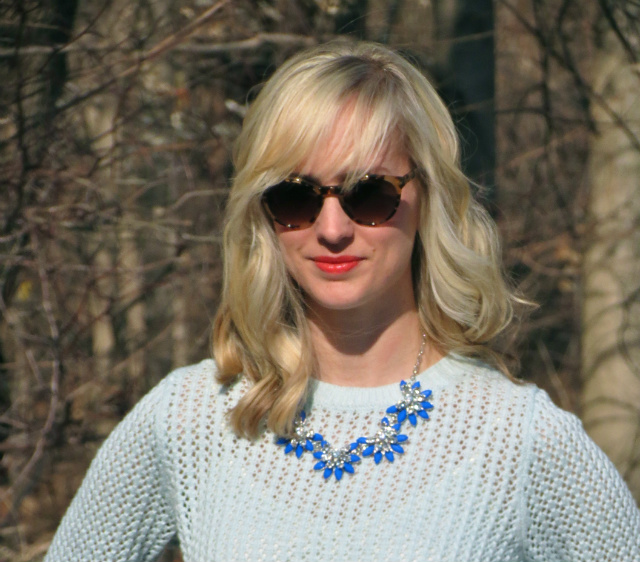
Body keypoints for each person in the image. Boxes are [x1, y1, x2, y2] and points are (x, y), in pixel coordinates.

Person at [44, 41, 640, 562]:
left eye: (368, 193)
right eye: (295, 197)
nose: (332, 228)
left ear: (427, 197)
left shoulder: (523, 440)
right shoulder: (190, 418)